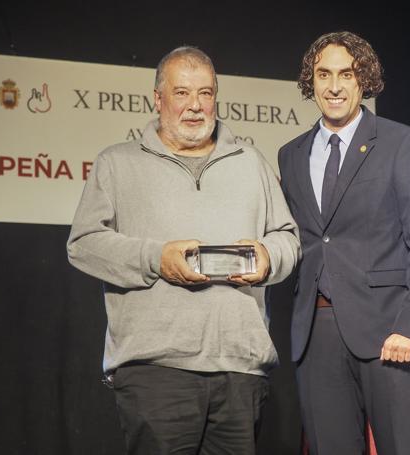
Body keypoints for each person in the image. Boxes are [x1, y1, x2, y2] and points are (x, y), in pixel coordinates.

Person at [67, 46, 300, 455]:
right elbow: (83, 244)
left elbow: (287, 237)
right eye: (182, 93)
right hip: (157, 372)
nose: (195, 106)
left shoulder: (251, 162)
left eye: (206, 93)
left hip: (239, 367)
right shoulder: (118, 163)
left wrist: (268, 258)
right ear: (157, 99)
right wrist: (156, 259)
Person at [277, 31, 410, 455]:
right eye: (323, 74)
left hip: (389, 331)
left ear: (363, 79)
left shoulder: (401, 142)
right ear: (310, 81)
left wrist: (409, 327)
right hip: (316, 335)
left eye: (346, 74)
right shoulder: (291, 154)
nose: (334, 86)